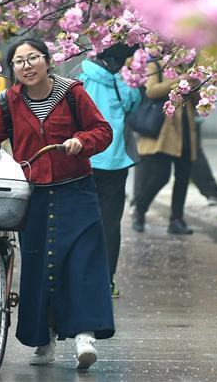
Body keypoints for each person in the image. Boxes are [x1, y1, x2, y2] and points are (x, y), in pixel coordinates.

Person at [0, 38, 114, 370]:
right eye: (19, 61)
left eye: (33, 58)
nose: (27, 65)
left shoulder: (73, 94)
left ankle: (84, 334)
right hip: (34, 194)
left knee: (81, 262)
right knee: (41, 267)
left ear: (48, 61)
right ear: (12, 69)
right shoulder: (8, 101)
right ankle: (46, 336)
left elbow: (102, 130)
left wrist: (80, 142)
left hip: (77, 192)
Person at [77, 44, 141, 298]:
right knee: (110, 224)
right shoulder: (124, 83)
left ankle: (79, 276)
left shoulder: (78, 78)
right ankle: (106, 281)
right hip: (114, 162)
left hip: (83, 160)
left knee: (80, 220)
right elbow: (132, 106)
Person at [131, 60, 197, 235]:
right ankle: (140, 210)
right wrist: (179, 80)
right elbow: (151, 91)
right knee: (161, 176)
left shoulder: (188, 69)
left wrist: (195, 84)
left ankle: (176, 220)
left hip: (185, 130)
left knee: (183, 177)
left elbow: (196, 102)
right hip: (164, 132)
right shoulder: (156, 66)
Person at [190, 118, 217, 205]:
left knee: (192, 156)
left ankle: (213, 193)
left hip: (185, 117)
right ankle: (213, 193)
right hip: (170, 117)